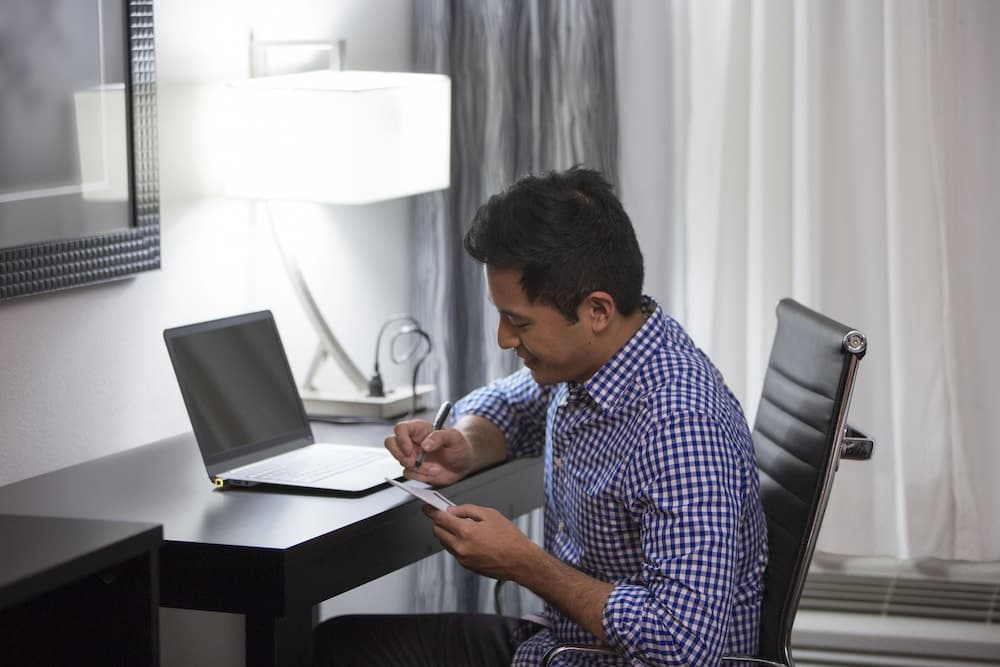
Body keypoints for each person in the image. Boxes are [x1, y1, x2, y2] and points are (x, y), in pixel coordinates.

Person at [313, 167, 768, 666]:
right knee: (338, 644)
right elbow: (510, 405)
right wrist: (466, 444)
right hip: (560, 645)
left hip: (601, 657)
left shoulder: (682, 426)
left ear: (597, 311)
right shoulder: (598, 363)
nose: (503, 339)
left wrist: (526, 564)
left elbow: (682, 645)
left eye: (519, 321)